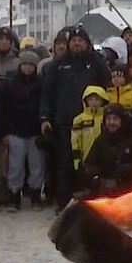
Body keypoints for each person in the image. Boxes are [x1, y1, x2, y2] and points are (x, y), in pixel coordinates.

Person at [40, 25, 111, 211]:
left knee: (92, 162)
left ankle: (91, 202)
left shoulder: (96, 62)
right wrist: (44, 117)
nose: (77, 44)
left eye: (80, 40)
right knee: (65, 162)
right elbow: (47, 93)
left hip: (93, 123)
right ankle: (64, 203)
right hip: (65, 122)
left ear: (87, 43)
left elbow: (107, 86)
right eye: (74, 40)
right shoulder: (57, 65)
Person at [0, 50, 44, 211]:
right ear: (20, 65)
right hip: (15, 131)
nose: (28, 68)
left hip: (35, 131)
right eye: (25, 64)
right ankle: (14, 195)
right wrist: (3, 132)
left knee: (37, 165)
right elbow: (0, 109)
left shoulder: (41, 83)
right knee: (15, 166)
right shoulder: (9, 83)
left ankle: (35, 194)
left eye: (31, 65)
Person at [77, 104, 132, 198]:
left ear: (122, 120)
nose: (111, 122)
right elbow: (89, 163)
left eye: (115, 119)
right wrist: (95, 176)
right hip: (106, 190)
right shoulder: (101, 140)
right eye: (108, 119)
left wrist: (127, 169)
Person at [71, 85, 110, 171]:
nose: (94, 102)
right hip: (86, 157)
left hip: (105, 157)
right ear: (86, 101)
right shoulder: (79, 119)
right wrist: (77, 160)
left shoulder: (107, 117)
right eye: (91, 99)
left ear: (103, 101)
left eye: (97, 99)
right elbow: (75, 140)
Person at [106, 65, 132, 130]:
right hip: (112, 128)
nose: (116, 79)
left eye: (119, 76)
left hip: (129, 128)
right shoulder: (106, 96)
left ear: (126, 77)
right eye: (113, 77)